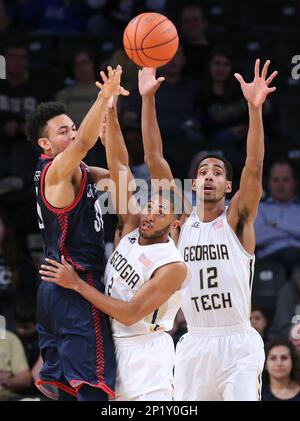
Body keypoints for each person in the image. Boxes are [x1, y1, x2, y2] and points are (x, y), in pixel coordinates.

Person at [39, 80, 189, 401]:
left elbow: (131, 312)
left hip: (147, 352)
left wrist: (78, 285)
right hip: (112, 340)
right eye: (149, 205)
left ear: (175, 224)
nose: (149, 213)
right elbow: (121, 171)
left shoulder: (173, 265)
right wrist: (111, 116)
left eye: (160, 211)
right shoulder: (131, 228)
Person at [138, 59, 277, 400]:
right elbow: (155, 157)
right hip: (195, 342)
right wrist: (147, 99)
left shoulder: (237, 219)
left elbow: (255, 166)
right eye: (203, 171)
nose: (209, 175)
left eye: (217, 171)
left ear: (228, 186)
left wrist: (254, 110)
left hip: (237, 343)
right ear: (194, 183)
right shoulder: (182, 223)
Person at [25, 65, 129, 401]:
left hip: (56, 288)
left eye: (72, 128)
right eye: (62, 132)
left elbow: (120, 175)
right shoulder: (55, 173)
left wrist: (109, 118)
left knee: (69, 390)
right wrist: (103, 94)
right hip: (75, 285)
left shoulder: (78, 170)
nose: (71, 135)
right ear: (45, 143)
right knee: (93, 390)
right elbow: (85, 142)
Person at [255, 159, 300, 277]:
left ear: (295, 182)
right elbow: (258, 238)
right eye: (275, 180)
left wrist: (275, 224)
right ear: (268, 183)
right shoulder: (259, 208)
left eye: (285, 180)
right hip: (270, 260)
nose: (280, 185)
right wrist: (294, 231)